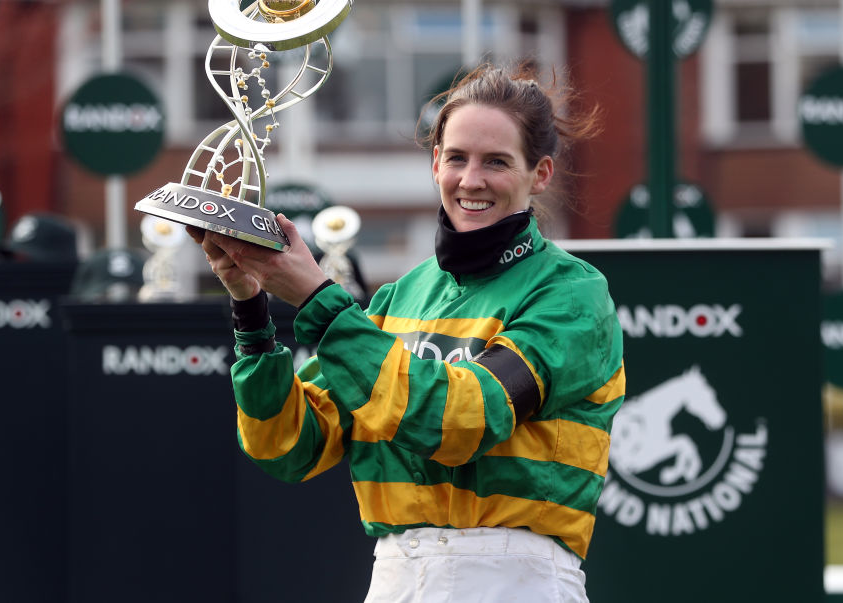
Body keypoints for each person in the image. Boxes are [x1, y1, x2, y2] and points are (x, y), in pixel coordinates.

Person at [189, 63, 626, 602]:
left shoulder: (573, 295)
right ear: (436, 162)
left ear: (540, 174)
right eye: (457, 158)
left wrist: (316, 297)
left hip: (516, 579)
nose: (471, 180)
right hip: (396, 576)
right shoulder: (399, 298)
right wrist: (250, 308)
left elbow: (461, 422)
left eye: (496, 161)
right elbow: (287, 447)